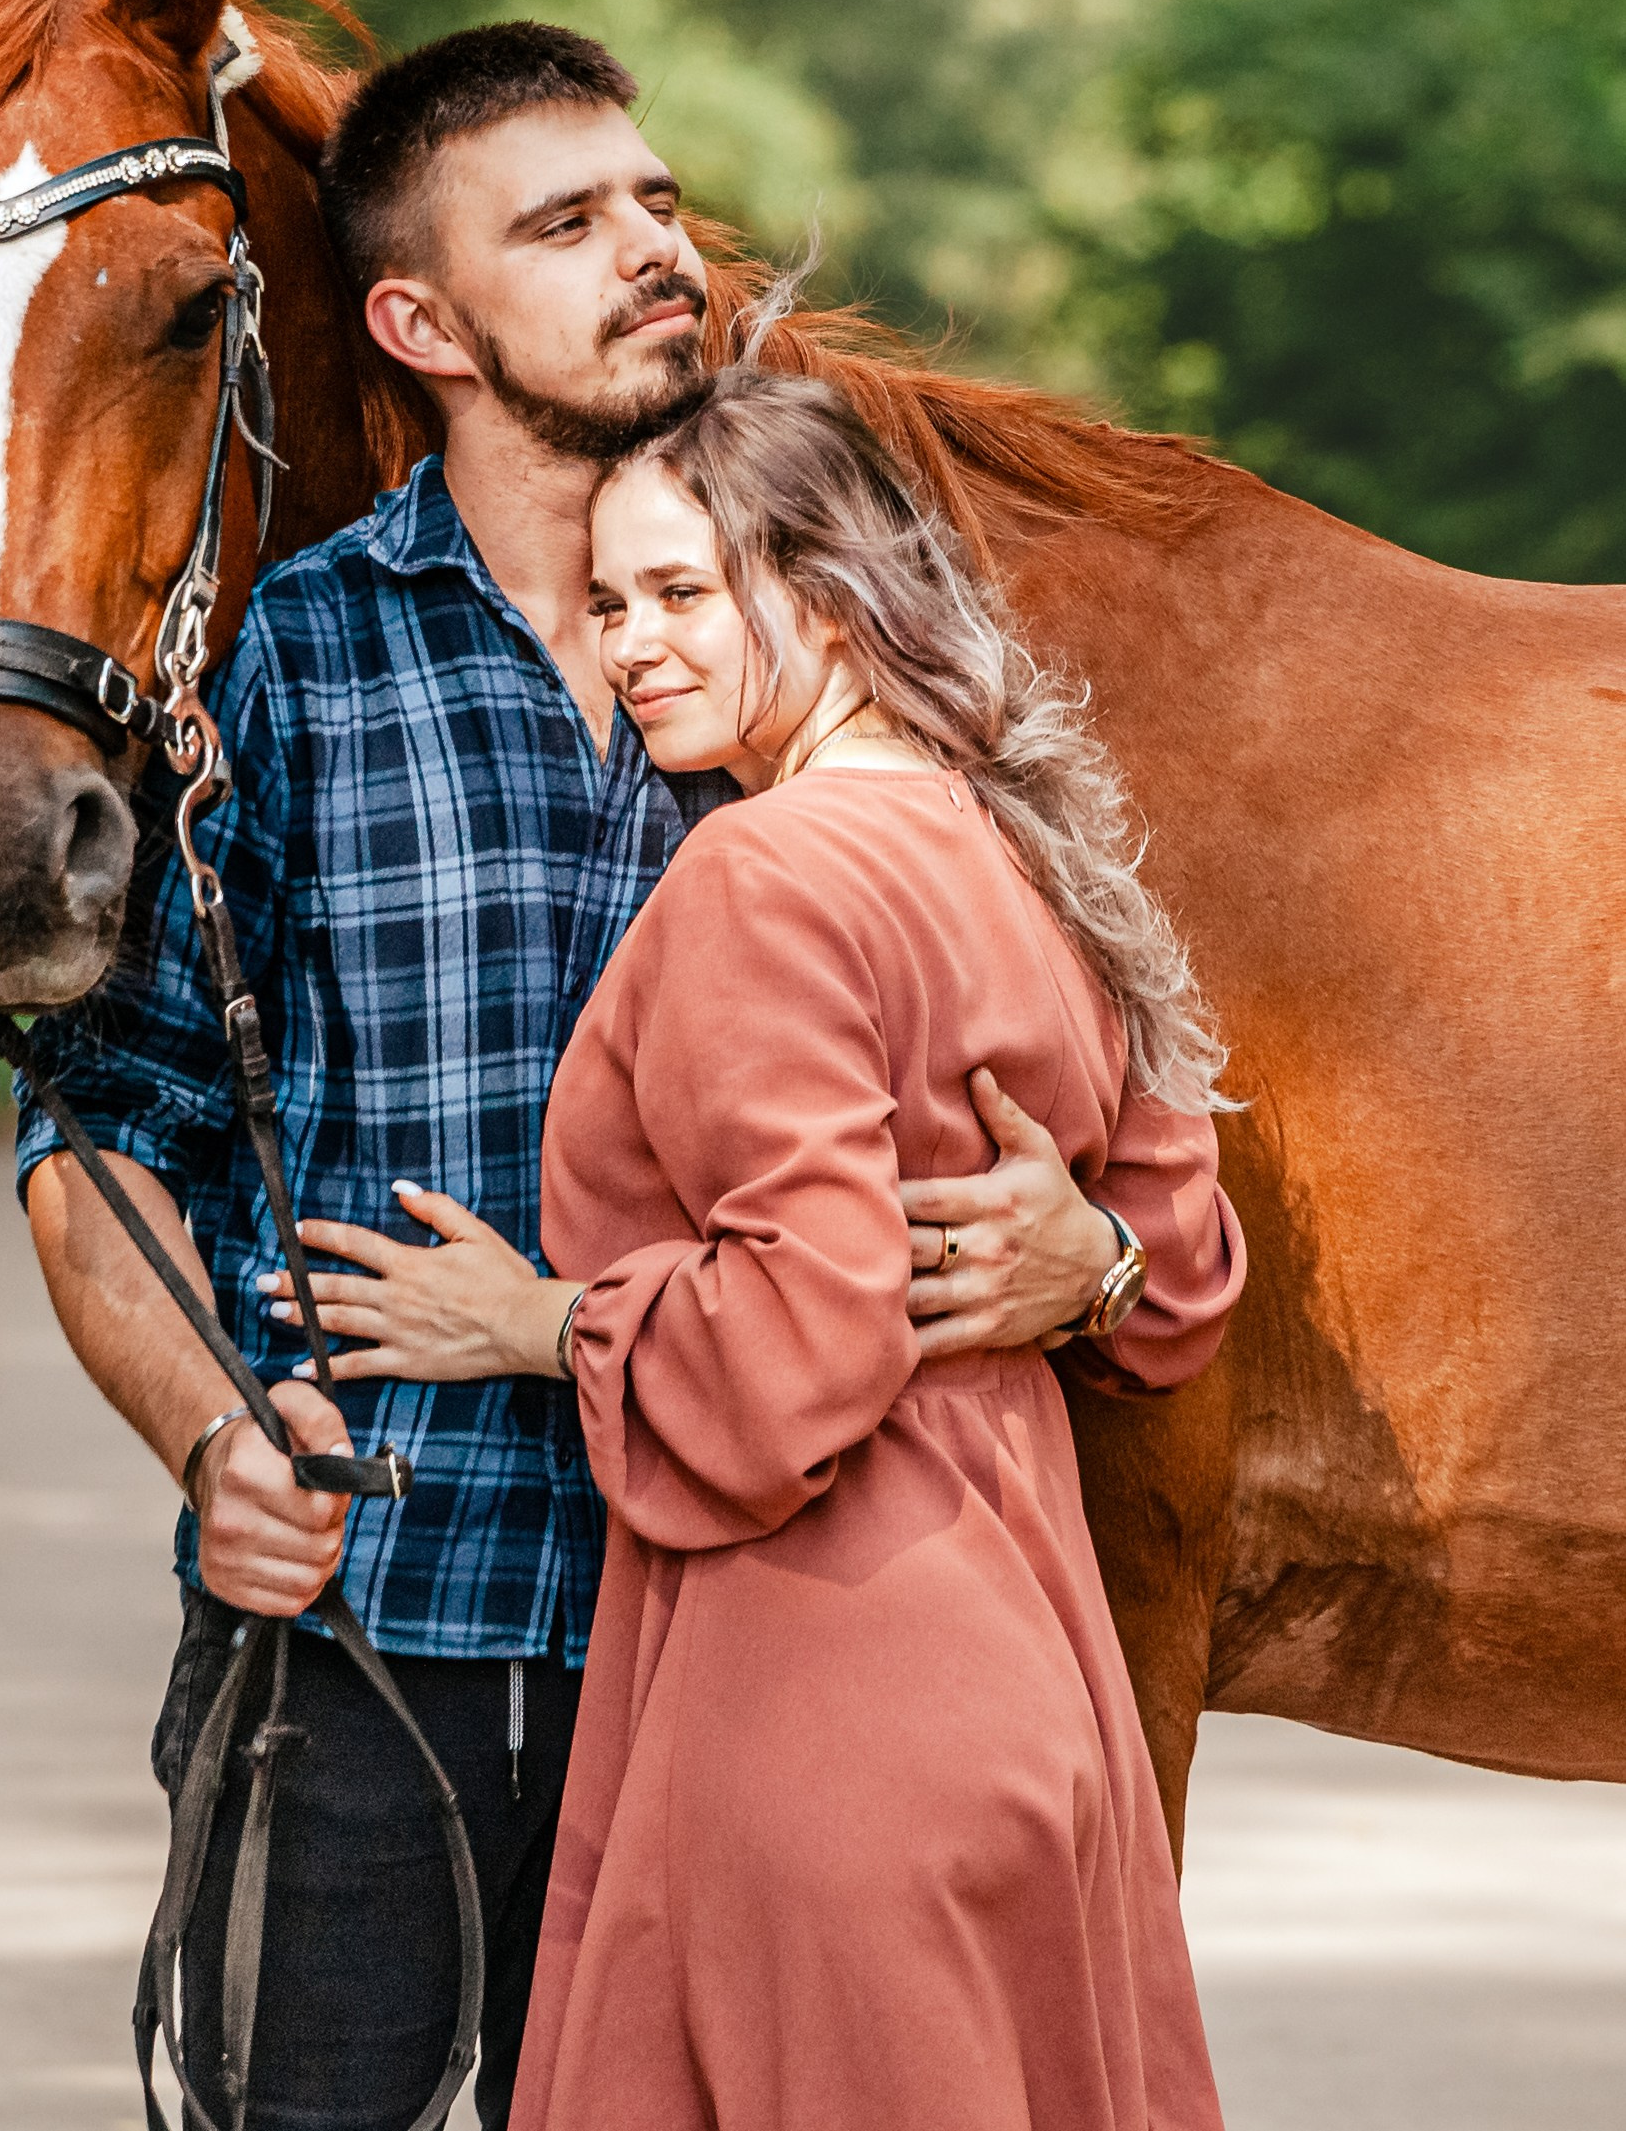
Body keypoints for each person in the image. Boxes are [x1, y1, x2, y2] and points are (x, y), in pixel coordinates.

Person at [17, 24, 1138, 2131]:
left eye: (651, 200)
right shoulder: (289, 658)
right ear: (418, 323)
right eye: (565, 223)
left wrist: (1095, 1252)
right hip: (377, 1613)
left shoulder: (843, 643)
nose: (654, 253)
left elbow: (1116, 1082)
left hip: (739, 1652)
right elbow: (101, 1124)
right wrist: (209, 1440)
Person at [506, 358, 1245, 2131]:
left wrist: (553, 1324)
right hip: (1032, 1687)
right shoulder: (1019, 854)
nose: (633, 643)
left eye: (685, 591)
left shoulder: (763, 876)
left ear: (831, 593)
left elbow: (795, 1360)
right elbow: (1178, 1260)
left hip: (823, 1691)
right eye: (608, 602)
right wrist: (1091, 1270)